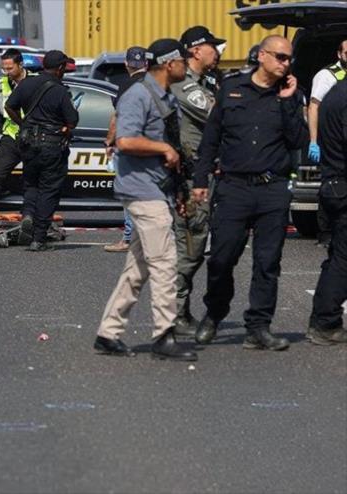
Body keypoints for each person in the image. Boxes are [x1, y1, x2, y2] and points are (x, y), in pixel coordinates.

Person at [192, 35, 309, 351]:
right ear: (262, 55)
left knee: (267, 262)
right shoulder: (232, 89)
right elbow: (211, 140)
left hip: (272, 189)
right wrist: (200, 180)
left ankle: (259, 326)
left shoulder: (290, 96)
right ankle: (215, 313)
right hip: (234, 188)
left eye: (289, 59)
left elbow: (299, 140)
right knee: (221, 258)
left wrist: (287, 101)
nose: (286, 64)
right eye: (280, 57)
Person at [93, 38, 196, 361]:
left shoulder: (166, 96)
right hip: (141, 190)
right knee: (165, 262)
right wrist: (163, 149)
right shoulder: (138, 95)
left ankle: (108, 333)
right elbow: (124, 140)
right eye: (183, 60)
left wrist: (179, 191)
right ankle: (164, 335)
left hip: (158, 189)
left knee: (137, 268)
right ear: (169, 64)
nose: (187, 65)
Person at [168, 26, 225, 336]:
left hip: (207, 176)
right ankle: (174, 312)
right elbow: (219, 115)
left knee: (198, 244)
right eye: (211, 47)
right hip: (192, 181)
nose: (216, 52)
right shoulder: (185, 86)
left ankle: (180, 310)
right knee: (191, 244)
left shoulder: (206, 82)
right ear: (195, 50)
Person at [4, 50, 79, 251]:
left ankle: (27, 214)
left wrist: (23, 123)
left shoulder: (26, 83)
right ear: (61, 68)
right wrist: (64, 127)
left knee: (31, 184)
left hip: (28, 144)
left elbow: (8, 106)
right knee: (49, 189)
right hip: (52, 146)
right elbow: (72, 120)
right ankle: (38, 237)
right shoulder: (60, 90)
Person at [307, 78, 347, 345]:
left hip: (334, 184)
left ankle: (324, 319)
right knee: (344, 259)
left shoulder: (336, 93)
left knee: (339, 256)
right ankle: (325, 321)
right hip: (342, 183)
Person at [103, 46, 148, 253]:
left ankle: (129, 239)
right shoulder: (155, 82)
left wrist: (109, 141)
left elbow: (118, 117)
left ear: (126, 64)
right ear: (146, 64)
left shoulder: (125, 85)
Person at [0, 48, 34, 212]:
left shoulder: (36, 82)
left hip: (33, 137)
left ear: (21, 64)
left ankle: (29, 214)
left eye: (10, 68)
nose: (6, 72)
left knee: (31, 178)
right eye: (4, 68)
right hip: (11, 137)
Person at [307, 40, 347, 248]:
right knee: (331, 183)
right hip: (330, 137)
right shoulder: (327, 76)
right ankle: (326, 233)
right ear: (339, 54)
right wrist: (314, 140)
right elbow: (313, 107)